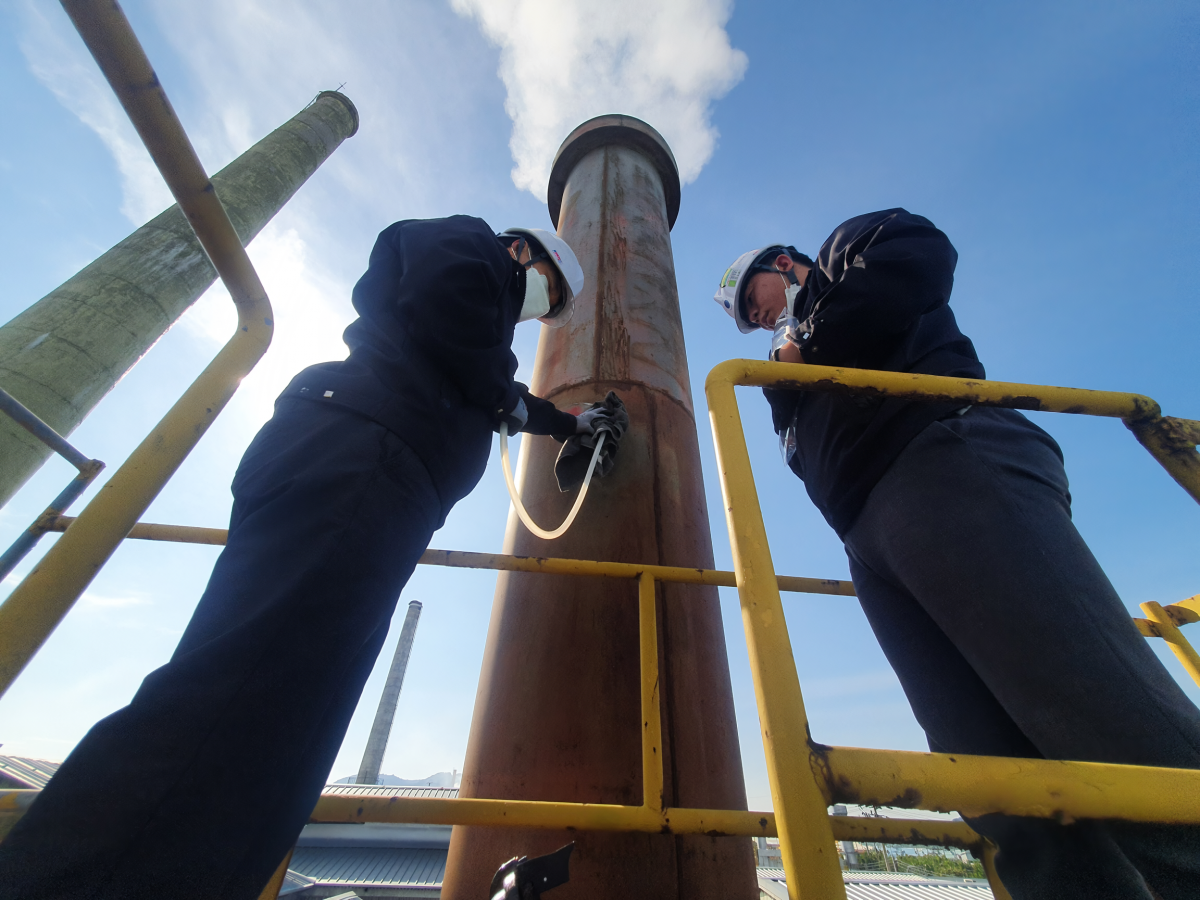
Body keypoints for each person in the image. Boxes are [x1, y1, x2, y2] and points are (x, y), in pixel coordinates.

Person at [0, 215, 612, 900]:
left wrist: (568, 423)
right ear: (526, 252)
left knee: (287, 733)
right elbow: (451, 306)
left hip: (373, 482)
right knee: (244, 699)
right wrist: (503, 391)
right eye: (548, 296)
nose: (538, 313)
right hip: (360, 465)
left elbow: (488, 385)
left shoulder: (457, 345)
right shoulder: (470, 247)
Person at [714, 208, 1200, 900]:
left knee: (1101, 713)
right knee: (991, 775)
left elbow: (919, 260)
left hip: (946, 459)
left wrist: (806, 343)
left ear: (780, 264)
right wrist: (790, 367)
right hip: (871, 539)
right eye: (745, 318)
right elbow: (795, 443)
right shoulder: (780, 363)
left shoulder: (845, 253)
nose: (754, 318)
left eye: (751, 300)